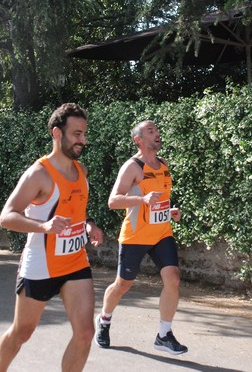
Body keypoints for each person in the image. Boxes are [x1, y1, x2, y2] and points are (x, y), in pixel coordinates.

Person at [0, 103, 103, 372]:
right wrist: (44, 227)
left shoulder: (82, 172)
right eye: (76, 134)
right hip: (41, 265)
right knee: (22, 332)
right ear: (57, 133)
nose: (82, 140)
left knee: (85, 333)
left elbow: (75, 211)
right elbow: (7, 216)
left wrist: (88, 224)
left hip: (75, 263)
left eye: (84, 134)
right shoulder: (39, 174)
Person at [95, 120, 188, 355]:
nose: (157, 134)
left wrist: (170, 212)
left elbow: (159, 201)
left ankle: (164, 335)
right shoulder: (132, 167)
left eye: (157, 130)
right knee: (123, 284)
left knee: (173, 279)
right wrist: (142, 200)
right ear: (138, 140)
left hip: (161, 233)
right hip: (135, 235)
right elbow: (113, 201)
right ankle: (104, 320)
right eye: (151, 131)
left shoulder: (164, 164)